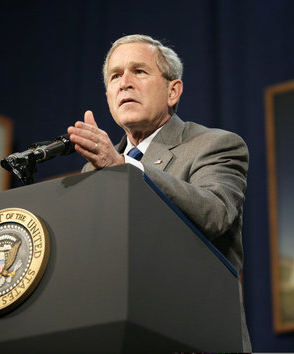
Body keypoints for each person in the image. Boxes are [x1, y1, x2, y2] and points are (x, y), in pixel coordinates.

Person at [67, 34, 251, 351]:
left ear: (172, 90)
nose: (124, 82)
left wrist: (127, 166)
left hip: (195, 337)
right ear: (108, 96)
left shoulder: (216, 145)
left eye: (139, 71)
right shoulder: (93, 170)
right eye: (115, 76)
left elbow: (216, 212)